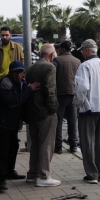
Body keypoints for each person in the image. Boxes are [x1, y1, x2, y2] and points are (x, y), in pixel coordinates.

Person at [74, 39, 100, 184]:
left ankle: (92, 174)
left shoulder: (85, 66)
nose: (81, 53)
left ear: (86, 50)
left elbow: (82, 88)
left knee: (87, 142)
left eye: (82, 51)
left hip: (89, 109)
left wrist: (77, 104)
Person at [0, 61, 38, 192]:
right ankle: (0, 180)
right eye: (16, 72)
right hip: (3, 121)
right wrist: (28, 90)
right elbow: (12, 102)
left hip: (12, 121)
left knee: (13, 145)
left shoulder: (22, 83)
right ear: (11, 73)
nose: (19, 75)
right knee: (4, 149)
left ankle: (9, 171)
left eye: (21, 72)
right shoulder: (5, 83)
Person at [25, 43, 60, 186]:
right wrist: (53, 109)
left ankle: (32, 174)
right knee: (46, 144)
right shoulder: (50, 67)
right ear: (51, 55)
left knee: (35, 144)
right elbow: (50, 90)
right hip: (45, 112)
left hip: (32, 110)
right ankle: (43, 176)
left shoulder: (31, 68)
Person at [54, 41, 81, 154]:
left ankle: (58, 147)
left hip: (61, 94)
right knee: (72, 121)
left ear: (63, 49)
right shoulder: (77, 61)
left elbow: (53, 75)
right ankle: (73, 145)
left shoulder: (57, 60)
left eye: (59, 48)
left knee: (59, 121)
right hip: (73, 94)